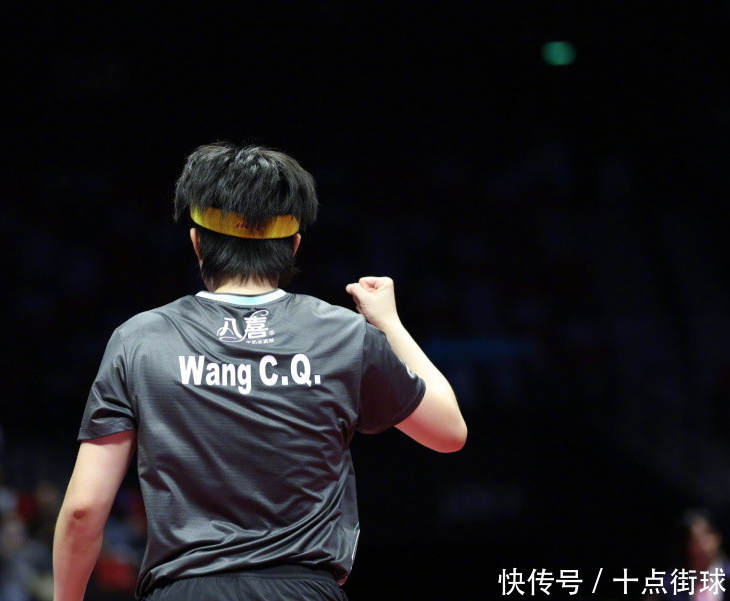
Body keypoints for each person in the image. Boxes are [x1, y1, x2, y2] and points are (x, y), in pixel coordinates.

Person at [52, 143, 467, 601]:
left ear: (197, 243)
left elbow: (83, 509)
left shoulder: (140, 340)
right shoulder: (345, 335)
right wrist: (388, 324)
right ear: (293, 245)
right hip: (305, 591)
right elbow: (449, 432)